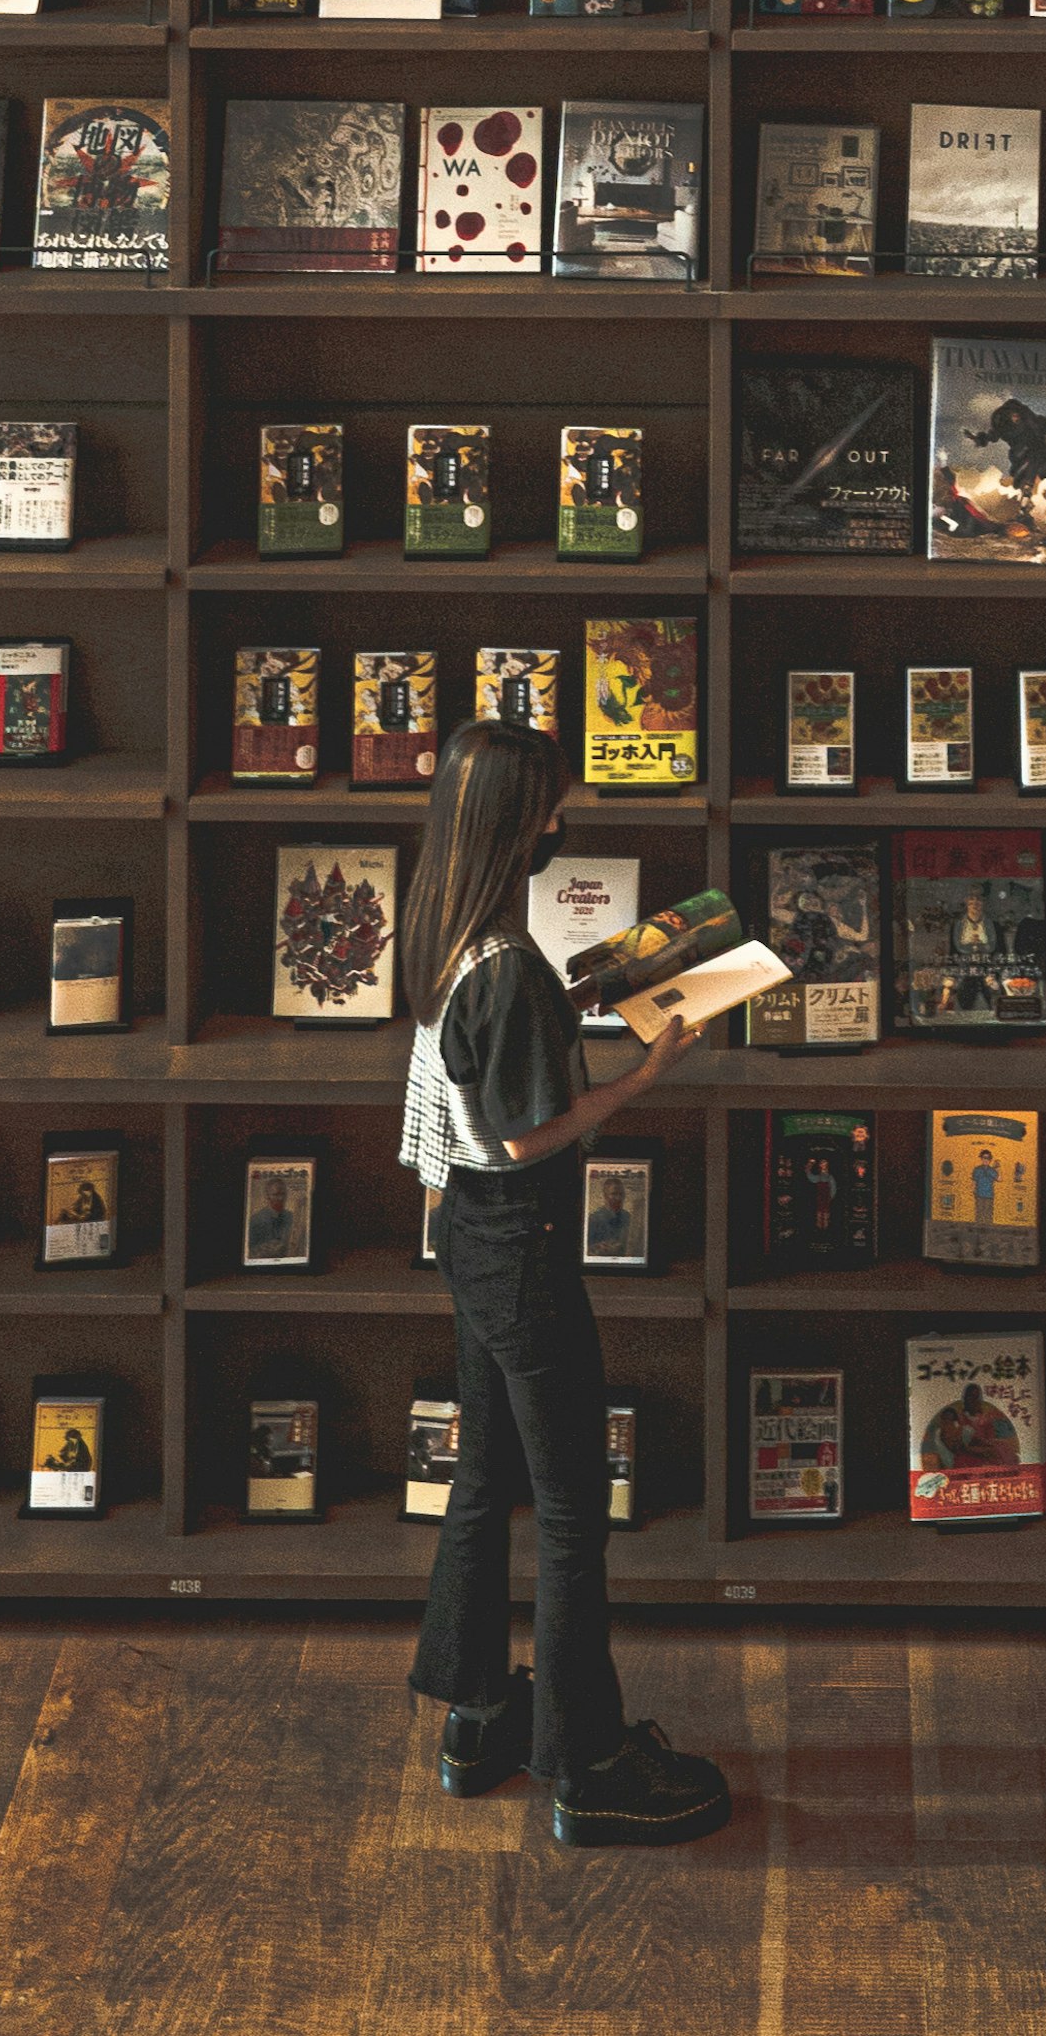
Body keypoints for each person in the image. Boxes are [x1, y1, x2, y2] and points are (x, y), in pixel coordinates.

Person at [398, 716, 729, 1848]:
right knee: (577, 1508)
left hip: (467, 1236)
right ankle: (586, 1762)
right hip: (525, 1240)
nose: (559, 822)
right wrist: (650, 1068)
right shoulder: (513, 973)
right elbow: (534, 1136)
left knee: (486, 1479)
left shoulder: (443, 932)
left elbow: (480, 1109)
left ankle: (477, 1717)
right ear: (513, 819)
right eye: (546, 807)